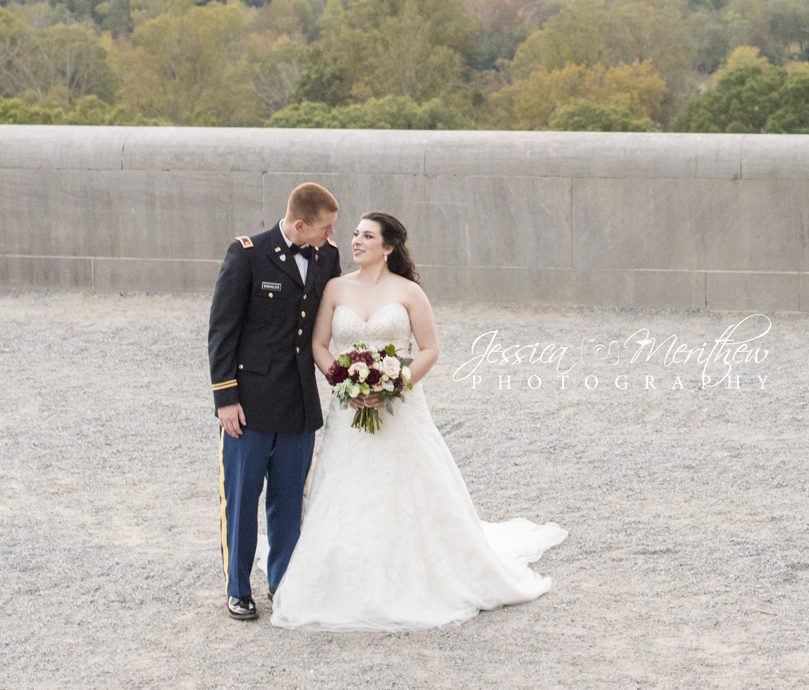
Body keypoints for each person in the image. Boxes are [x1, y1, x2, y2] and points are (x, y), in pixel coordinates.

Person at [270, 211, 566, 630]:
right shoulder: (335, 288)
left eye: (367, 236)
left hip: (399, 408)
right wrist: (344, 382)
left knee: (404, 488)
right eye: (354, 234)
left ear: (388, 247)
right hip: (349, 408)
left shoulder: (409, 293)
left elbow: (429, 349)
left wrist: (395, 383)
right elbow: (320, 344)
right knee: (345, 488)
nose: (355, 241)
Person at [207, 182, 341, 621]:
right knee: (242, 500)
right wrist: (226, 398)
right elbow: (222, 330)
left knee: (288, 500)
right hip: (250, 404)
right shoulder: (247, 254)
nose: (330, 234)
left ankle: (283, 582)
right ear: (299, 224)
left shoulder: (328, 256)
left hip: (299, 402)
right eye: (325, 227)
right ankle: (238, 588)